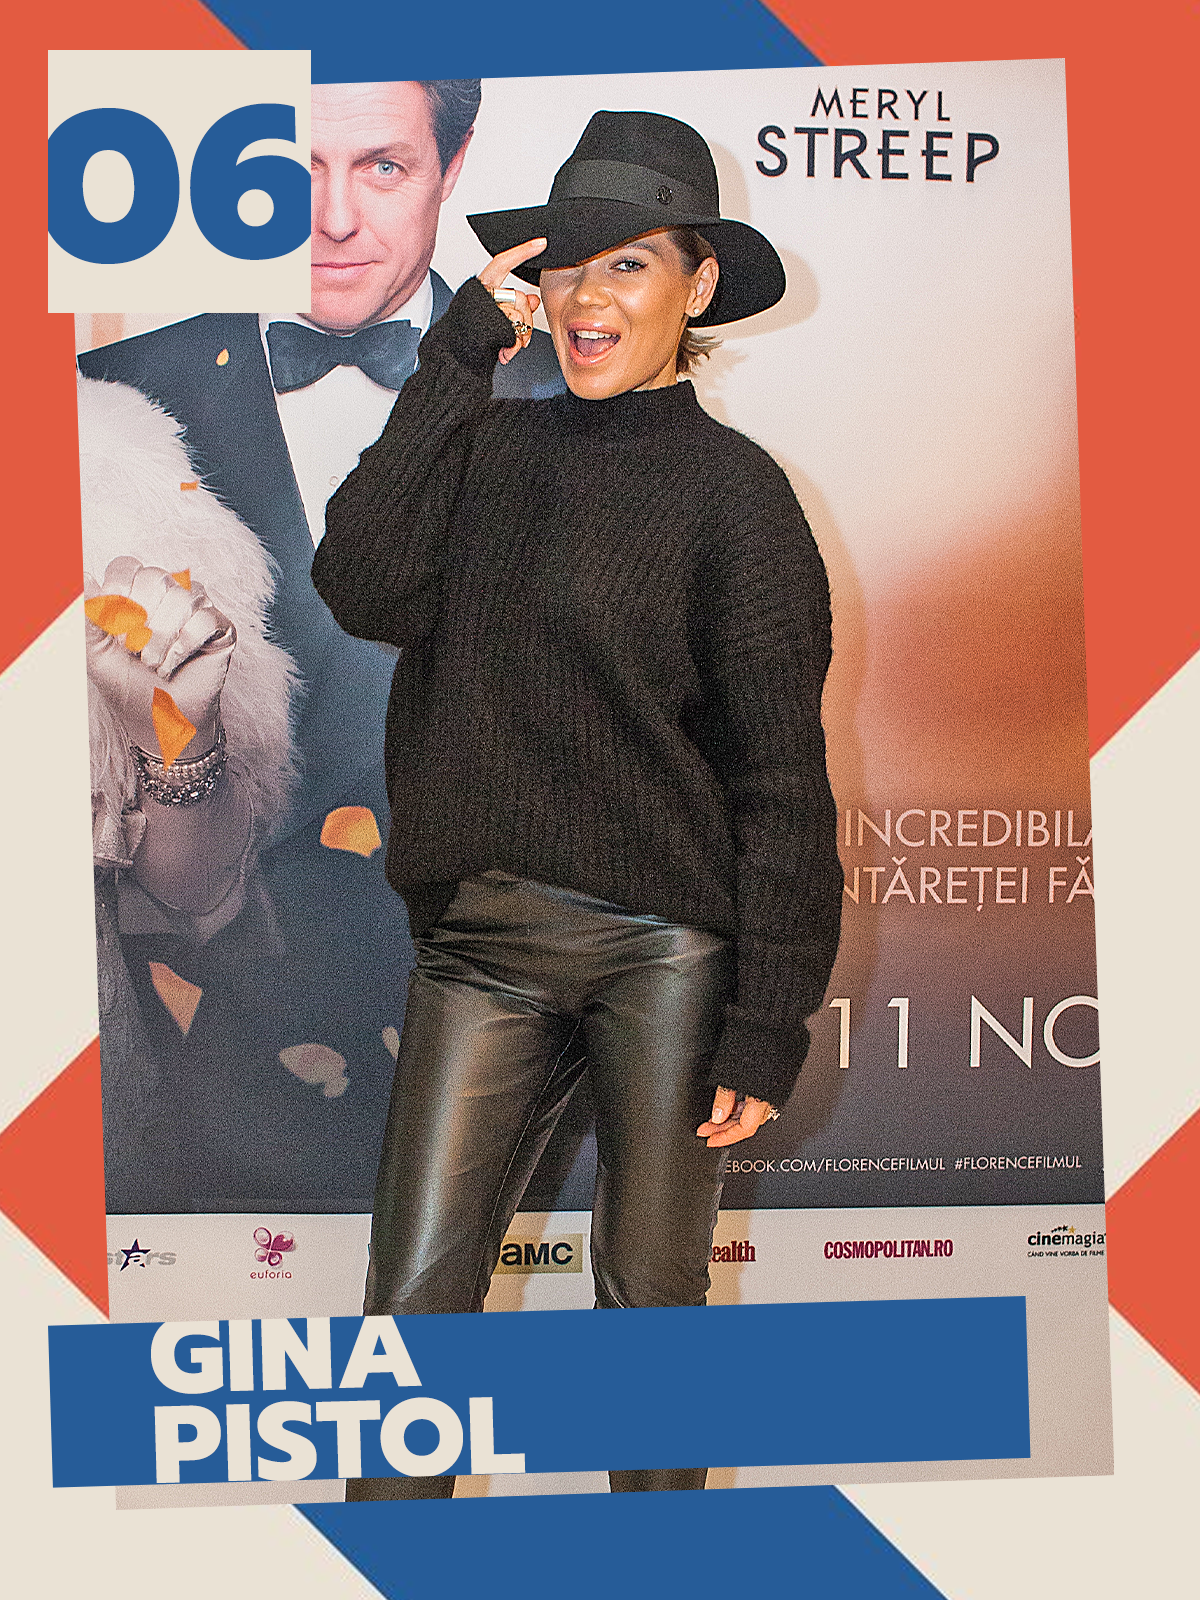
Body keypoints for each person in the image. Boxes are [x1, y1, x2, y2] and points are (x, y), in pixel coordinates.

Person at [312, 109, 843, 1498]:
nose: (587, 297)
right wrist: (453, 362)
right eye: (565, 265)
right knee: (408, 1319)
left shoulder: (742, 502)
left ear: (698, 286)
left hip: (665, 958)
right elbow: (359, 583)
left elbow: (782, 785)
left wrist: (766, 1020)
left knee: (651, 1325)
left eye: (629, 264)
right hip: (481, 946)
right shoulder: (485, 451)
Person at [76, 80, 564, 1215]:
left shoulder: (577, 390)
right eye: (295, 171)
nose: (333, 219)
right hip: (208, 1098)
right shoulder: (109, 408)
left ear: (455, 163)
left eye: (383, 167)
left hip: (531, 1054)